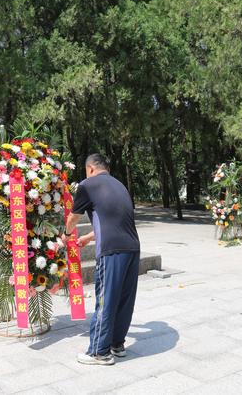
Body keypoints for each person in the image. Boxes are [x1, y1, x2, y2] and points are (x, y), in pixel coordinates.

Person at [63, 153, 141, 366]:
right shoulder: (119, 186)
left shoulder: (88, 185)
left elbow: (73, 217)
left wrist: (67, 234)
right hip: (132, 248)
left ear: (89, 169)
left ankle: (99, 351)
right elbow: (115, 220)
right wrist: (89, 237)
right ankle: (117, 344)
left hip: (112, 251)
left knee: (105, 300)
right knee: (124, 300)